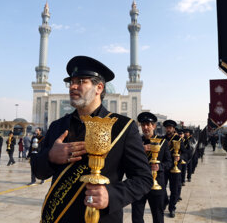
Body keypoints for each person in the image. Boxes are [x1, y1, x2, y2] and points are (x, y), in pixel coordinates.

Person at [31, 56, 153, 223]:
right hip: (59, 217)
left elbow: (144, 179)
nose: (73, 86)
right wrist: (50, 157)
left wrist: (111, 195)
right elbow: (39, 171)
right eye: (71, 82)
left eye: (81, 81)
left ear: (99, 87)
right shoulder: (58, 126)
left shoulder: (122, 127)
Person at [132, 112, 172, 223]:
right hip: (139, 183)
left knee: (158, 215)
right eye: (143, 125)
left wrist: (159, 166)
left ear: (153, 126)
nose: (145, 128)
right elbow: (130, 161)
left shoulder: (163, 142)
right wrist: (142, 149)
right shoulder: (136, 142)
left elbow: (169, 162)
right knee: (136, 217)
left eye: (148, 125)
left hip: (157, 183)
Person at [162, 120, 185, 218]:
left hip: (175, 167)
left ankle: (172, 208)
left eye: (170, 128)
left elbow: (186, 152)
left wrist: (180, 157)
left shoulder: (178, 139)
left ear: (174, 129)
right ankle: (165, 201)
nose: (168, 129)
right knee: (161, 188)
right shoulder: (162, 139)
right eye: (167, 127)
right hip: (164, 167)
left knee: (174, 189)